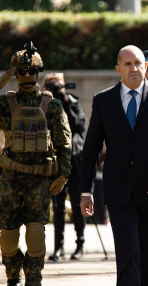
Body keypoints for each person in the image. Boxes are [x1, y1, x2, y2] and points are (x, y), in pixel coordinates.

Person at [80, 45, 148, 286]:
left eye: (138, 63)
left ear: (146, 67)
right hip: (119, 191)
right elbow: (92, 148)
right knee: (127, 253)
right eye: (127, 64)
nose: (134, 68)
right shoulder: (103, 100)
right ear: (118, 69)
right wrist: (87, 191)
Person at [0, 44, 71, 286]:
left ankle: (34, 279)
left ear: (37, 73)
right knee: (8, 236)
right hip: (11, 179)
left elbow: (64, 143)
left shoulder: (53, 106)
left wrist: (64, 175)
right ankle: (13, 273)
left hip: (40, 180)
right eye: (21, 72)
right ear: (16, 74)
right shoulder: (5, 104)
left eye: (31, 71)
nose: (26, 76)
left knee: (36, 234)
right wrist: (1, 81)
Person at [44, 72, 87, 261]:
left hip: (75, 159)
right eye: (52, 86)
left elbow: (79, 125)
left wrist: (66, 101)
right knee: (58, 205)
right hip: (55, 161)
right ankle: (58, 247)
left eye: (58, 85)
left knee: (78, 203)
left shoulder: (73, 102)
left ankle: (80, 244)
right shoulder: (44, 105)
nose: (56, 89)